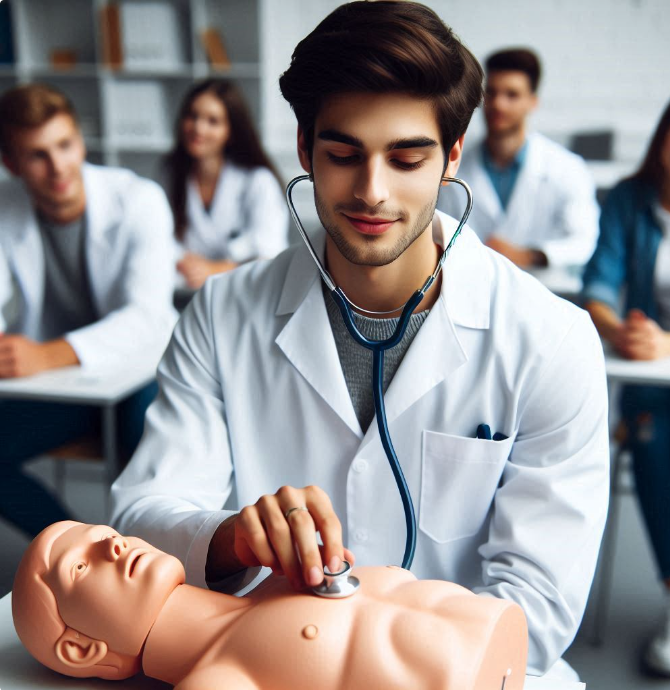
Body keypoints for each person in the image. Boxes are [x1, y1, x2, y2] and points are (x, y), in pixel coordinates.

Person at [111, 1, 609, 678]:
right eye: (343, 154)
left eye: (407, 158)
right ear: (304, 149)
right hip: (268, 665)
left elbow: (536, 605)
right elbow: (140, 516)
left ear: (452, 156)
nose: (372, 192)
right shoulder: (222, 313)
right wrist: (233, 539)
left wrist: (367, 667)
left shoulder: (550, 340)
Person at [12, 521, 528, 689]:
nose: (114, 545)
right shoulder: (220, 677)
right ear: (80, 648)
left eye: (107, 533)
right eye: (80, 567)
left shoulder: (273, 581)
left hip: (507, 644)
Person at [0, 83, 176, 538]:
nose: (58, 166)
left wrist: (45, 355)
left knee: (144, 466)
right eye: (37, 154)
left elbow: (147, 317)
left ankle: (150, 568)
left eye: (64, 145)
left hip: (140, 371)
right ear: (11, 163)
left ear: (80, 142)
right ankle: (77, 548)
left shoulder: (139, 199)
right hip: (67, 387)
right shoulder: (6, 206)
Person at [582, 100, 670, 677]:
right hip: (650, 390)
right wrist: (621, 330)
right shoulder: (626, 200)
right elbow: (599, 283)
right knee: (652, 436)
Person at [438, 48, 599, 269]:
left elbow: (584, 241)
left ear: (532, 102)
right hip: (471, 289)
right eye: (492, 93)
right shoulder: (454, 165)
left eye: (512, 95)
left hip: (543, 291)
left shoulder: (567, 168)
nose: (498, 104)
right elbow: (439, 233)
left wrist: (529, 256)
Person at [163, 78, 289, 290]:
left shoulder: (257, 180)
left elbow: (270, 249)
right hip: (184, 288)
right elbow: (158, 233)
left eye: (213, 121)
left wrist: (216, 269)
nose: (198, 128)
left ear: (231, 131)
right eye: (192, 116)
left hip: (245, 289)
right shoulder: (170, 172)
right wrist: (184, 261)